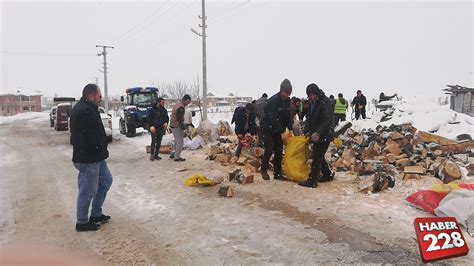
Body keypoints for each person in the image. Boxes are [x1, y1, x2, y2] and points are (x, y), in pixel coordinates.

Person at [70, 83, 113, 231]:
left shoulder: (89, 109)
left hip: (97, 157)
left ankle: (96, 214)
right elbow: (84, 138)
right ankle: (81, 222)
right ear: (91, 96)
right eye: (99, 96)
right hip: (88, 159)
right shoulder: (83, 111)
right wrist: (96, 148)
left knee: (106, 181)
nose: (101, 99)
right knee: (87, 190)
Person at [300, 84, 335, 188]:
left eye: (311, 95)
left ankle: (312, 181)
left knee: (316, 156)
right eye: (309, 96)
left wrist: (318, 133)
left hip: (325, 134)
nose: (310, 98)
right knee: (319, 155)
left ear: (316, 93)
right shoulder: (312, 102)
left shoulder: (327, 102)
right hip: (316, 134)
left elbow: (327, 121)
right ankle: (327, 174)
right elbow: (310, 119)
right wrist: (308, 131)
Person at [260, 79, 293, 181]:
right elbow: (273, 118)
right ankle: (263, 170)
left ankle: (277, 173)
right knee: (269, 148)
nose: (288, 95)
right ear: (281, 91)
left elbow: (287, 116)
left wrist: (290, 128)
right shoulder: (273, 101)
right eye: (286, 92)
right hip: (267, 128)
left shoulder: (288, 101)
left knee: (279, 150)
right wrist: (281, 131)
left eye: (289, 93)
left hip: (278, 128)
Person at [170, 95, 191, 162]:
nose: (188, 103)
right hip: (176, 126)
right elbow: (179, 120)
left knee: (177, 141)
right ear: (185, 100)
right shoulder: (181, 108)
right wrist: (184, 129)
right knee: (180, 142)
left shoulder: (178, 104)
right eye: (188, 102)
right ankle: (177, 157)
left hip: (173, 125)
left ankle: (173, 154)